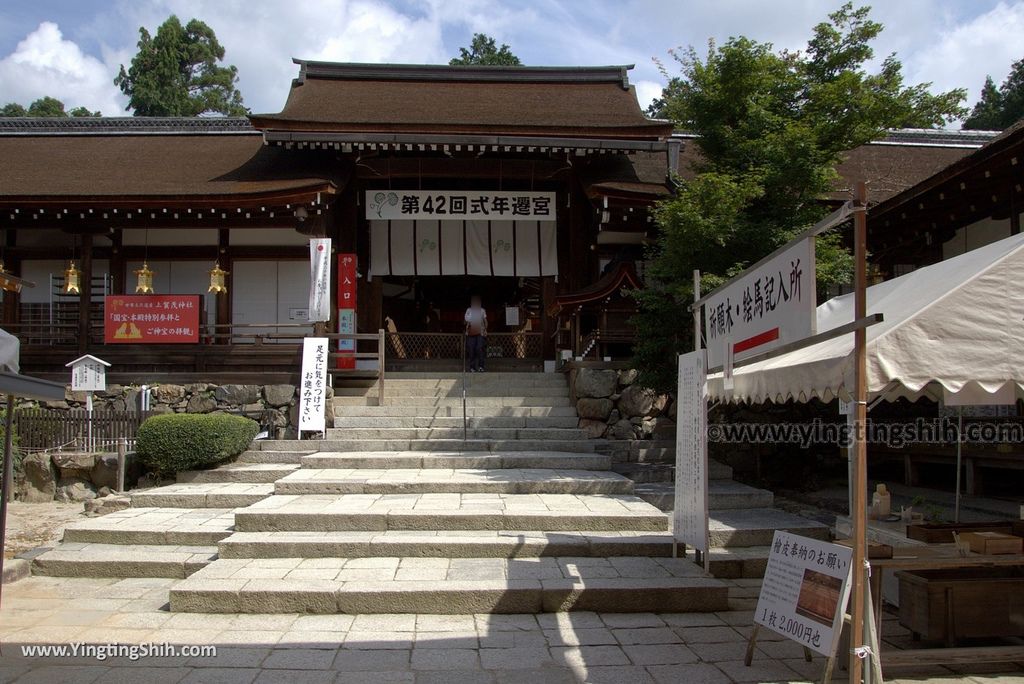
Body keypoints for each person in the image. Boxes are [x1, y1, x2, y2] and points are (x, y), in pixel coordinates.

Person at [464, 295, 487, 372]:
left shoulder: (482, 310)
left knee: (479, 348)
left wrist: (485, 329)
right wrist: (467, 325)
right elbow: (465, 321)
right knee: (471, 349)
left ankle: (481, 366)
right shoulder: (469, 310)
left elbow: (485, 321)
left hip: (480, 331)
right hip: (471, 331)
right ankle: (472, 367)